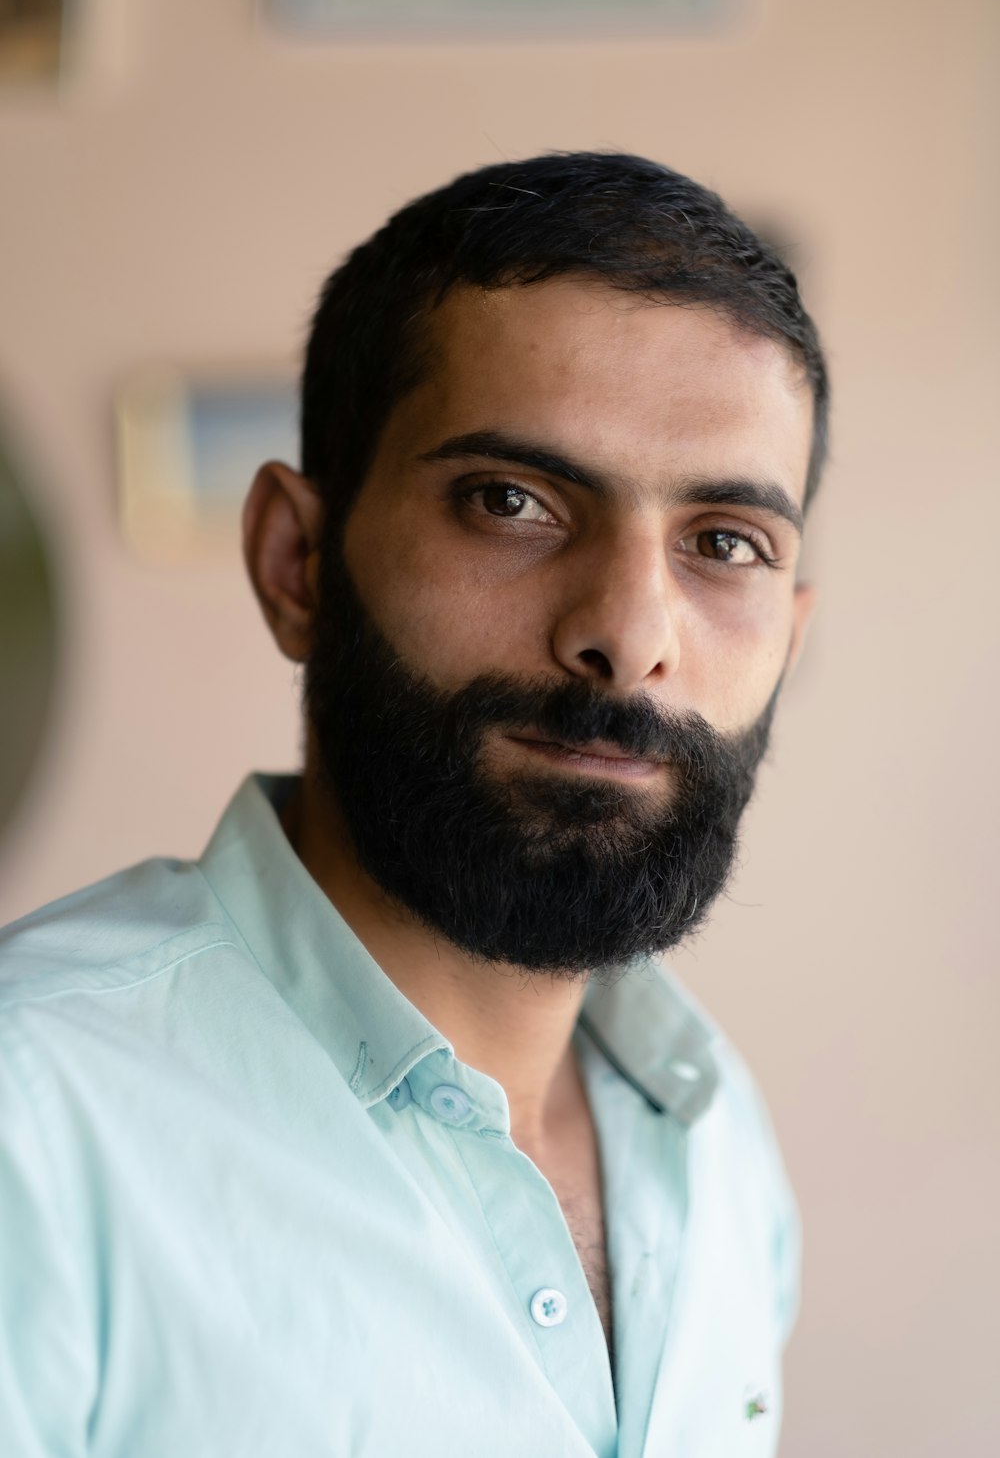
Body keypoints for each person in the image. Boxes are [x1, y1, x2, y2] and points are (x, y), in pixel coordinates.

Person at [0, 151, 828, 1458]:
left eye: (724, 540)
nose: (629, 634)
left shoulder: (716, 1139)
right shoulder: (31, 1125)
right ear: (297, 563)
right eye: (513, 502)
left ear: (790, 628)